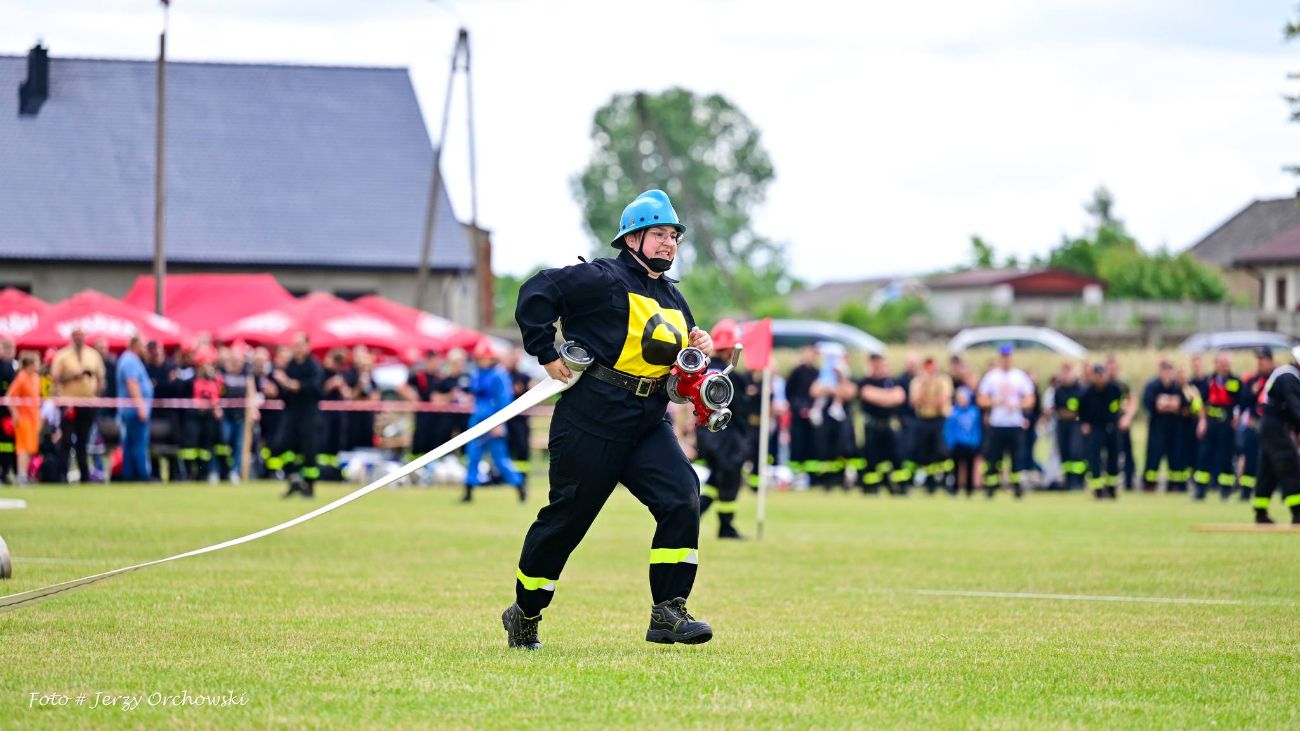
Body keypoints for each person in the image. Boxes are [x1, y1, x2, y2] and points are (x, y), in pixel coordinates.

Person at [504, 189, 714, 649]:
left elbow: (678, 377)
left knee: (683, 497)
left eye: (674, 235)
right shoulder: (600, 277)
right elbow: (537, 291)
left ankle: (668, 611)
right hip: (590, 421)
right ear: (632, 238)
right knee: (566, 524)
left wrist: (696, 353)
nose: (668, 243)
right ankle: (525, 613)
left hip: (647, 421)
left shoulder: (675, 299)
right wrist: (544, 351)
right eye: (658, 234)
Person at [695, 319, 753, 538]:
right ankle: (726, 526)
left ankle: (693, 516)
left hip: (709, 436)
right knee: (729, 481)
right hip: (726, 439)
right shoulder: (728, 374)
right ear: (730, 347)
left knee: (715, 481)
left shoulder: (707, 368)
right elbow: (740, 408)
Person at [462, 340, 526, 502]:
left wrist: (499, 422)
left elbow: (505, 399)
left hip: (494, 422)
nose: (483, 360)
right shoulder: (476, 374)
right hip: (477, 421)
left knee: (500, 459)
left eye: (486, 357)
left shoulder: (499, 374)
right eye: (480, 358)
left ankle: (520, 487)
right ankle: (468, 493)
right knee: (473, 456)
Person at [268, 333, 324, 499]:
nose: (297, 349)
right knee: (280, 447)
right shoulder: (290, 366)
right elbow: (285, 391)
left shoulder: (314, 366)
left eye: (300, 345)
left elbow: (315, 389)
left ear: (307, 346)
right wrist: (277, 391)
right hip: (291, 415)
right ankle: (293, 480)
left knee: (309, 453)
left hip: (308, 416)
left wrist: (291, 384)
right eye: (295, 345)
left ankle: (310, 487)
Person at [976, 344, 1035, 498]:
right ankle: (991, 487)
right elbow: (981, 399)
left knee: (1016, 458)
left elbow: (1030, 399)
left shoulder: (1019, 376)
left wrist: (1018, 405)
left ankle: (1017, 488)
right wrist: (994, 402)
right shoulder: (991, 376)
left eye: (1008, 356)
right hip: (997, 423)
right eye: (1003, 356)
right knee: (994, 458)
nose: (1006, 359)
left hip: (1014, 423)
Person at [1251, 346, 1300, 524]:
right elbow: (1296, 409)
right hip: (1275, 426)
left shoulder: (1287, 375)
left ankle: (1260, 511)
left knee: (1268, 469)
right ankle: (1298, 512)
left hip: (1270, 426)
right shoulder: (1289, 377)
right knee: (1289, 464)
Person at [50, 326, 105, 482]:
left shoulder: (93, 355)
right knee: (66, 440)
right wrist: (74, 376)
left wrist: (96, 394)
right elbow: (55, 377)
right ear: (72, 337)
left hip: (88, 403)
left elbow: (100, 378)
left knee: (83, 440)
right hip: (68, 404)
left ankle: (84, 476)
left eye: (81, 335)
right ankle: (62, 474)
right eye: (76, 335)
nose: (79, 338)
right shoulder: (62, 355)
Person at [855, 353, 905, 495]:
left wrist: (881, 397)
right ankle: (871, 487)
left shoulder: (891, 381)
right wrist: (887, 396)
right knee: (872, 458)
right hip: (872, 426)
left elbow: (899, 397)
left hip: (888, 425)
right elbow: (868, 394)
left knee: (895, 457)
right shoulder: (865, 381)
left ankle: (898, 486)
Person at [1194, 351, 1241, 501]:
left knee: (1226, 457)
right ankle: (1200, 490)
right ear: (1216, 364)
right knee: (1204, 456)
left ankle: (1225, 491)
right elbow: (1200, 402)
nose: (1225, 367)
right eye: (1222, 364)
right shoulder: (1208, 381)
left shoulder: (1235, 381)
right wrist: (1202, 421)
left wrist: (1237, 418)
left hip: (1227, 425)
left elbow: (1241, 402)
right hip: (1210, 423)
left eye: (1227, 364)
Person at [1141, 360, 1186, 492]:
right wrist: (1168, 404)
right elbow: (1153, 405)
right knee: (1153, 456)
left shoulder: (1177, 387)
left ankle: (1174, 485)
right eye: (1164, 370)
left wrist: (1165, 403)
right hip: (1157, 428)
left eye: (1169, 371)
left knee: (1175, 456)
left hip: (1174, 428)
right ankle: (1149, 484)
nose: (1166, 374)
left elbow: (1180, 404)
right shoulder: (1152, 386)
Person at [910, 356, 953, 494]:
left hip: (939, 420)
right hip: (924, 420)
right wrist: (925, 385)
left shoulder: (944, 380)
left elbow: (942, 400)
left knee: (941, 451)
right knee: (925, 453)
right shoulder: (918, 381)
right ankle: (930, 484)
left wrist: (927, 402)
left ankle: (946, 480)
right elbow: (915, 400)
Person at [1080, 363, 1123, 500]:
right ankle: (1097, 489)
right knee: (1095, 458)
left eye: (1102, 375)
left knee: (1113, 457)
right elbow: (1081, 412)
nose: (1100, 378)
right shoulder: (1087, 392)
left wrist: (1119, 418)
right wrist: (1084, 423)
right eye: (1097, 375)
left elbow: (1119, 405)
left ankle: (1111, 488)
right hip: (1095, 428)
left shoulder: (1114, 389)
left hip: (1111, 427)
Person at [115, 336, 153, 482]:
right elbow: (132, 384)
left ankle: (129, 475)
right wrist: (141, 407)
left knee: (130, 444)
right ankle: (142, 474)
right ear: (135, 345)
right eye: (143, 345)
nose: (145, 349)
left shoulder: (130, 360)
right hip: (134, 411)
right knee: (138, 444)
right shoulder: (130, 361)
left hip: (132, 410)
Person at [1238, 348, 1273, 504]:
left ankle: (1273, 490)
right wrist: (1252, 392)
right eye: (1258, 360)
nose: (1260, 363)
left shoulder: (1276, 378)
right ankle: (1246, 492)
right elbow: (1243, 402)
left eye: (1263, 360)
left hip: (1271, 428)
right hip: (1253, 427)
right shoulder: (1252, 380)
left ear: (1270, 361)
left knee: (1272, 461)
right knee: (1250, 460)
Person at [1048, 362, 1087, 490]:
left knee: (1076, 452)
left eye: (1067, 372)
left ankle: (1078, 481)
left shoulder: (1080, 389)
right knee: (1064, 452)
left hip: (1076, 424)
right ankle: (1068, 480)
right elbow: (1057, 409)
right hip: (1062, 424)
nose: (1065, 376)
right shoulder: (1058, 391)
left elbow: (1081, 410)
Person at [785, 346, 819, 487]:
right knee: (797, 446)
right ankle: (795, 477)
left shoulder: (817, 373)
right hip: (798, 416)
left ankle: (811, 478)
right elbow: (789, 393)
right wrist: (798, 407)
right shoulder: (797, 372)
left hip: (813, 416)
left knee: (812, 447)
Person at [5, 352, 41, 484]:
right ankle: (21, 475)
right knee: (23, 448)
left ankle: (26, 473)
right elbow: (9, 397)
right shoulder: (21, 377)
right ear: (30, 364)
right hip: (23, 418)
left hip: (33, 418)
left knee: (31, 448)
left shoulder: (36, 378)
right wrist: (15, 413)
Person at [1169, 365, 1202, 494]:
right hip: (1177, 425)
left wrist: (1192, 407)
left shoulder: (1191, 390)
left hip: (1189, 425)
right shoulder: (1174, 389)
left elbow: (1197, 406)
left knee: (1190, 454)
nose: (1182, 378)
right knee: (1178, 455)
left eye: (1184, 376)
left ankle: (1189, 481)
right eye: (1180, 376)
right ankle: (1177, 484)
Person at [944, 386, 982, 497]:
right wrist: (950, 443)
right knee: (955, 467)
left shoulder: (974, 412)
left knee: (970, 467)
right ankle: (954, 488)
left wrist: (976, 442)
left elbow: (977, 429)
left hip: (970, 444)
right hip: (957, 444)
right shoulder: (953, 412)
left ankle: (969, 489)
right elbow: (949, 429)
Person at [1106, 355, 1137, 490]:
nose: (1112, 369)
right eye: (1110, 366)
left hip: (1121, 422)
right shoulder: (1103, 383)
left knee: (1127, 452)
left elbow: (1132, 400)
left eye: (1114, 366)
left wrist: (1127, 418)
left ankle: (1129, 482)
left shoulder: (1122, 383)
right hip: (1107, 423)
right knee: (1108, 453)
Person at [0, 337, 16, 483]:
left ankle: (5, 471)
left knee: (6, 444)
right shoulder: (4, 366)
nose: (10, 353)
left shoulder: (13, 366)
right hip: (4, 412)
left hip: (8, 413)